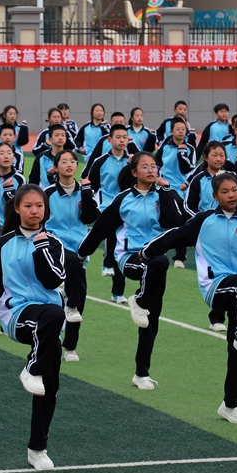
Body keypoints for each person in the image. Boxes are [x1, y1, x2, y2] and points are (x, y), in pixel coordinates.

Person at [144, 173, 237, 424]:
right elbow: (175, 235)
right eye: (225, 191)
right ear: (215, 196)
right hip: (216, 287)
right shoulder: (205, 220)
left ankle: (230, 405)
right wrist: (147, 252)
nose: (231, 195)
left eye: (235, 190)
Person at [79, 152, 185, 390]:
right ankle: (138, 299)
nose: (151, 170)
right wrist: (82, 254)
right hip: (130, 258)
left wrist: (166, 192)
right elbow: (100, 228)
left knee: (151, 320)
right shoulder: (123, 198)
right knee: (161, 262)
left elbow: (173, 223)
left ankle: (141, 373)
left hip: (155, 262)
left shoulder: (165, 195)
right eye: (145, 167)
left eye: (154, 166)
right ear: (134, 172)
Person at [0, 184, 67, 471]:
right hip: (16, 314)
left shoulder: (53, 243)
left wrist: (41, 247)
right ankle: (31, 367)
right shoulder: (3, 243)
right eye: (28, 206)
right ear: (17, 209)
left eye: (39, 206)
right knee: (53, 314)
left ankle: (37, 449)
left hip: (49, 321)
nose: (34, 211)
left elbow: (53, 280)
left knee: (49, 386)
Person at [43, 149, 100, 361]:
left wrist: (86, 194)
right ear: (56, 167)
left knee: (79, 293)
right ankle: (63, 317)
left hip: (79, 248)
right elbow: (40, 220)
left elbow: (89, 218)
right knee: (59, 296)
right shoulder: (48, 193)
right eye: (64, 161)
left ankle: (70, 346)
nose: (69, 165)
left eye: (73, 161)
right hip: (55, 245)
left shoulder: (85, 190)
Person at [84, 123, 131, 296]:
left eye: (124, 137)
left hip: (127, 206)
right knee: (112, 232)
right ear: (110, 140)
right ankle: (107, 262)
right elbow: (92, 185)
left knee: (122, 245)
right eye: (118, 137)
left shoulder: (132, 161)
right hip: (106, 206)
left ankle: (118, 292)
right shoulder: (100, 161)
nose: (122, 140)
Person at [155, 117, 196, 268]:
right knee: (165, 218)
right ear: (171, 131)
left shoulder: (190, 148)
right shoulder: (165, 146)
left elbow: (187, 169)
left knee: (181, 222)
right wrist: (157, 178)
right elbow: (156, 163)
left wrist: (181, 153)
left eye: (183, 129)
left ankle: (180, 257)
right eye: (177, 129)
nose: (180, 132)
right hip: (166, 187)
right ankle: (160, 249)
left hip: (183, 189)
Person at [0, 142, 24, 219]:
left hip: (10, 223)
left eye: (9, 153)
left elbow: (22, 204)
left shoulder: (20, 179)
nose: (6, 156)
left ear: (13, 158)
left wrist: (10, 192)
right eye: (1, 153)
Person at [29, 122, 69, 189]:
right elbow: (33, 178)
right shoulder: (41, 157)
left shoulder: (69, 157)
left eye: (63, 135)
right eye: (56, 135)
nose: (60, 138)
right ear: (50, 139)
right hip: (44, 193)